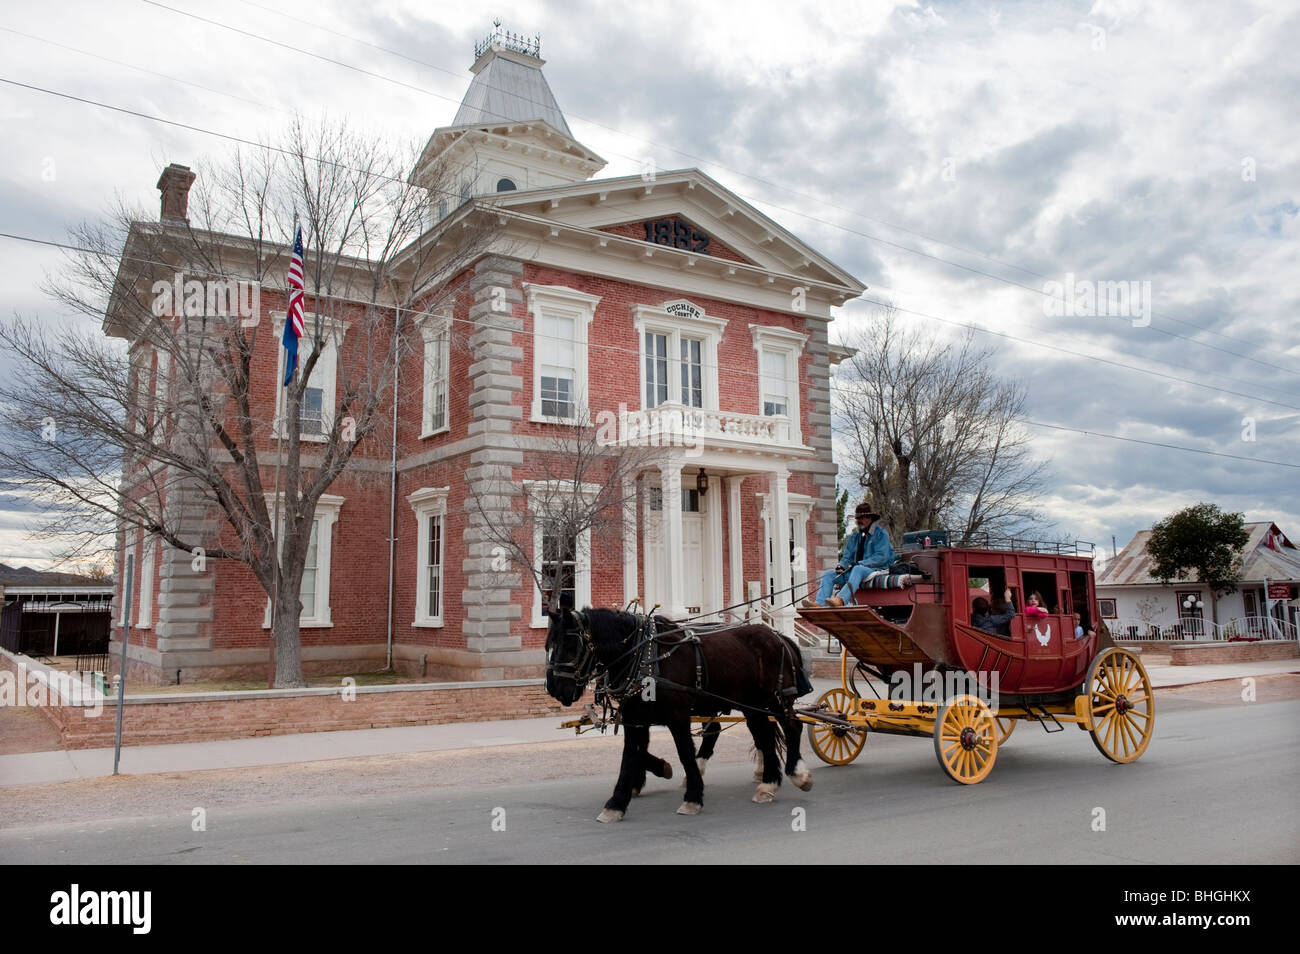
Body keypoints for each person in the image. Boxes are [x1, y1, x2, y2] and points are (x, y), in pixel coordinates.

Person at [804, 503, 895, 607]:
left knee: (858, 569)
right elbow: (847, 556)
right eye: (858, 518)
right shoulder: (855, 536)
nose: (859, 521)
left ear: (869, 518)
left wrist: (860, 563)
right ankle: (819, 603)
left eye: (861, 518)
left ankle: (841, 599)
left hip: (876, 569)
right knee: (828, 574)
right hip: (856, 570)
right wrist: (841, 565)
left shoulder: (881, 534)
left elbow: (881, 557)